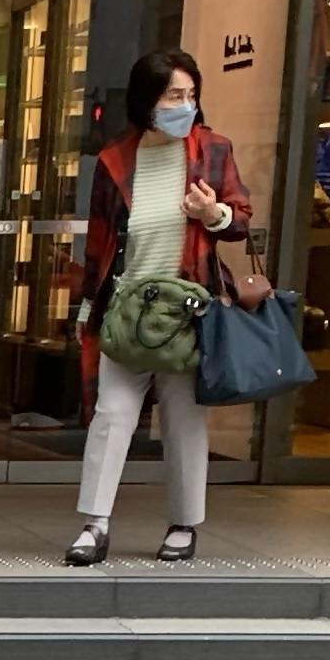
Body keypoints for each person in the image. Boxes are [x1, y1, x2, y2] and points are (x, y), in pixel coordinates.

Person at [67, 48, 253, 571]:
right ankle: (94, 524)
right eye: (175, 95)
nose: (185, 105)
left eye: (191, 95)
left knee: (184, 419)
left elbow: (239, 219)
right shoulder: (115, 160)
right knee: (112, 415)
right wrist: (89, 306)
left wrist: (211, 212)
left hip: (187, 306)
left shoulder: (213, 151)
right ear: (148, 100)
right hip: (127, 306)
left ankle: (183, 524)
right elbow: (101, 242)